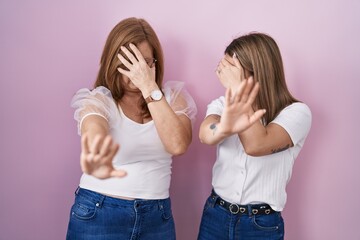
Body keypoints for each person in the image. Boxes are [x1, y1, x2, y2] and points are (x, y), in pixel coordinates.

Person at [66, 17, 197, 240]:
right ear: (114, 62)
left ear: (155, 63)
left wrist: (148, 86)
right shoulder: (99, 100)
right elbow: (94, 134)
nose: (138, 71)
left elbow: (177, 144)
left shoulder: (172, 99)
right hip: (99, 212)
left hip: (157, 217)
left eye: (145, 63)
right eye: (130, 63)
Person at [197, 32, 312, 240]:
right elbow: (206, 135)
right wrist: (224, 127)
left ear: (255, 70)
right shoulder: (223, 105)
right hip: (216, 215)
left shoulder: (296, 113)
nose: (222, 73)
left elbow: (256, 145)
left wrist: (238, 89)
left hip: (260, 225)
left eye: (230, 68)